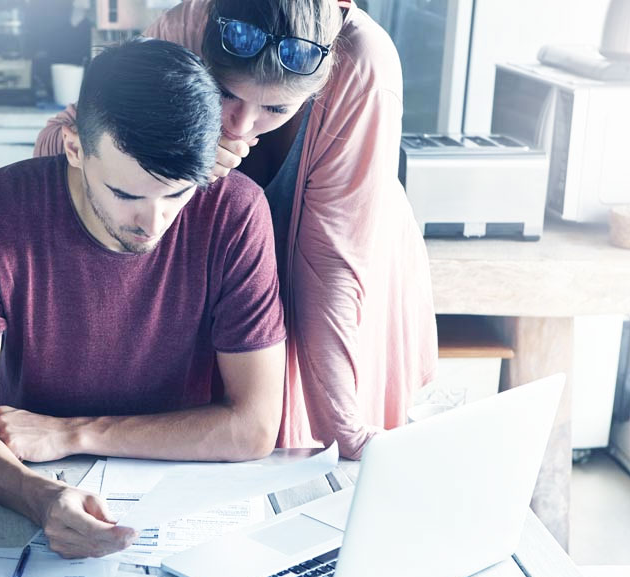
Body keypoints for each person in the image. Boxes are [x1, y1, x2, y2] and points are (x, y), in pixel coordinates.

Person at [0, 39, 287, 559]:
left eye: (178, 194)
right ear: (74, 147)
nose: (154, 223)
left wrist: (74, 433)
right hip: (32, 478)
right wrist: (43, 499)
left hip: (184, 494)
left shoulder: (237, 213)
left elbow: (253, 428)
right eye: (126, 194)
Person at [35, 0, 439, 460]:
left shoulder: (361, 61)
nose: (243, 124)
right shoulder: (183, 27)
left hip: (345, 279)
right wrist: (180, 147)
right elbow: (61, 144)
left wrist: (347, 426)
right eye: (225, 92)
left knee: (317, 458)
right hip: (231, 292)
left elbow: (331, 264)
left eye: (276, 106)